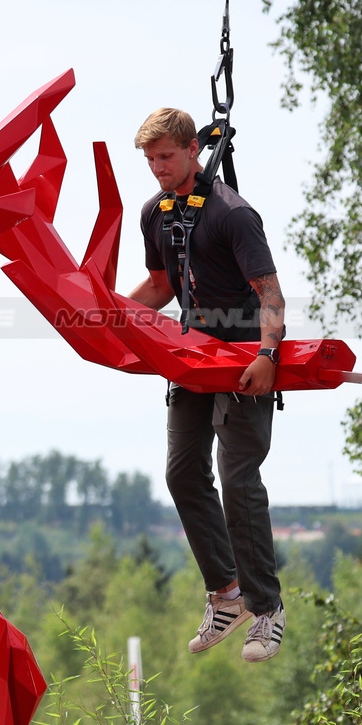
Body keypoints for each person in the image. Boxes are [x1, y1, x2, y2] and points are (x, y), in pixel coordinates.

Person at [127, 108, 286, 662]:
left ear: (195, 149)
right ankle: (227, 594)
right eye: (149, 160)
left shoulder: (233, 214)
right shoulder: (155, 212)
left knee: (237, 478)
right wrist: (107, 316)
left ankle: (267, 608)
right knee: (181, 474)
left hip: (245, 355)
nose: (157, 169)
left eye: (166, 156)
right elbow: (158, 284)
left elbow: (270, 294)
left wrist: (268, 354)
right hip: (190, 356)